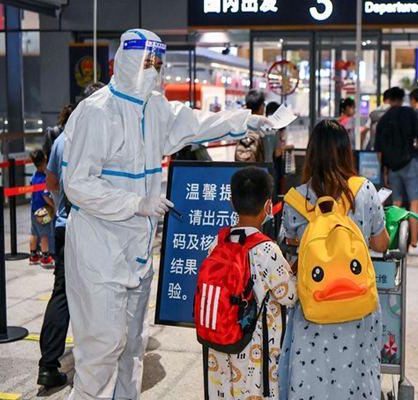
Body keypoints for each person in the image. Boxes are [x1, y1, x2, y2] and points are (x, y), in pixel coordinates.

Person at [62, 29, 271, 400]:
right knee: (102, 347)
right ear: (125, 61)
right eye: (146, 62)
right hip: (99, 247)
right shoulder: (96, 113)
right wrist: (134, 204)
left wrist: (246, 121)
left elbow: (198, 124)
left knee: (133, 347)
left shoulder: (155, 109)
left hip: (138, 249)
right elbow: (77, 184)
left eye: (158, 64)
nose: (153, 71)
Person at [281, 120, 390, 399]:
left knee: (311, 379)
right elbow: (380, 243)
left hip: (314, 306)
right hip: (358, 305)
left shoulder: (296, 200)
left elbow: (290, 245)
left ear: (312, 152)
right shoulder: (365, 190)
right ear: (346, 151)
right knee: (358, 375)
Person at [207, 167, 297, 400]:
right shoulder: (267, 250)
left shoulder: (217, 243)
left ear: (231, 202)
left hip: (218, 342)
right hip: (255, 351)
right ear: (268, 206)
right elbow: (290, 296)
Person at [37, 82, 105, 388]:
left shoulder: (63, 139)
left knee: (62, 293)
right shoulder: (104, 138)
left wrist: (64, 197)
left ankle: (48, 364)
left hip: (65, 227)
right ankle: (96, 362)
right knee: (100, 294)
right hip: (97, 230)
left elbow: (51, 181)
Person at [376, 87, 418, 256]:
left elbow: (379, 153)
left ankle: (393, 242)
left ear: (388, 99)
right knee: (415, 202)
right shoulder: (409, 114)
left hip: (392, 168)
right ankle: (413, 245)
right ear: (402, 98)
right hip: (409, 163)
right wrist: (412, 149)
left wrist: (386, 169)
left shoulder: (383, 119)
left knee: (396, 203)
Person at [29, 149, 54, 267]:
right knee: (44, 234)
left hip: (33, 209)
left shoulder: (33, 177)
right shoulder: (44, 179)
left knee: (34, 233)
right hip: (42, 211)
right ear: (44, 163)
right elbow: (45, 196)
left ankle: (33, 255)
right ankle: (45, 256)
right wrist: (53, 206)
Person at [235, 89, 268, 162]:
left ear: (246, 106)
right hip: (255, 171)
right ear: (262, 107)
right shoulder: (260, 130)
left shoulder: (241, 128)